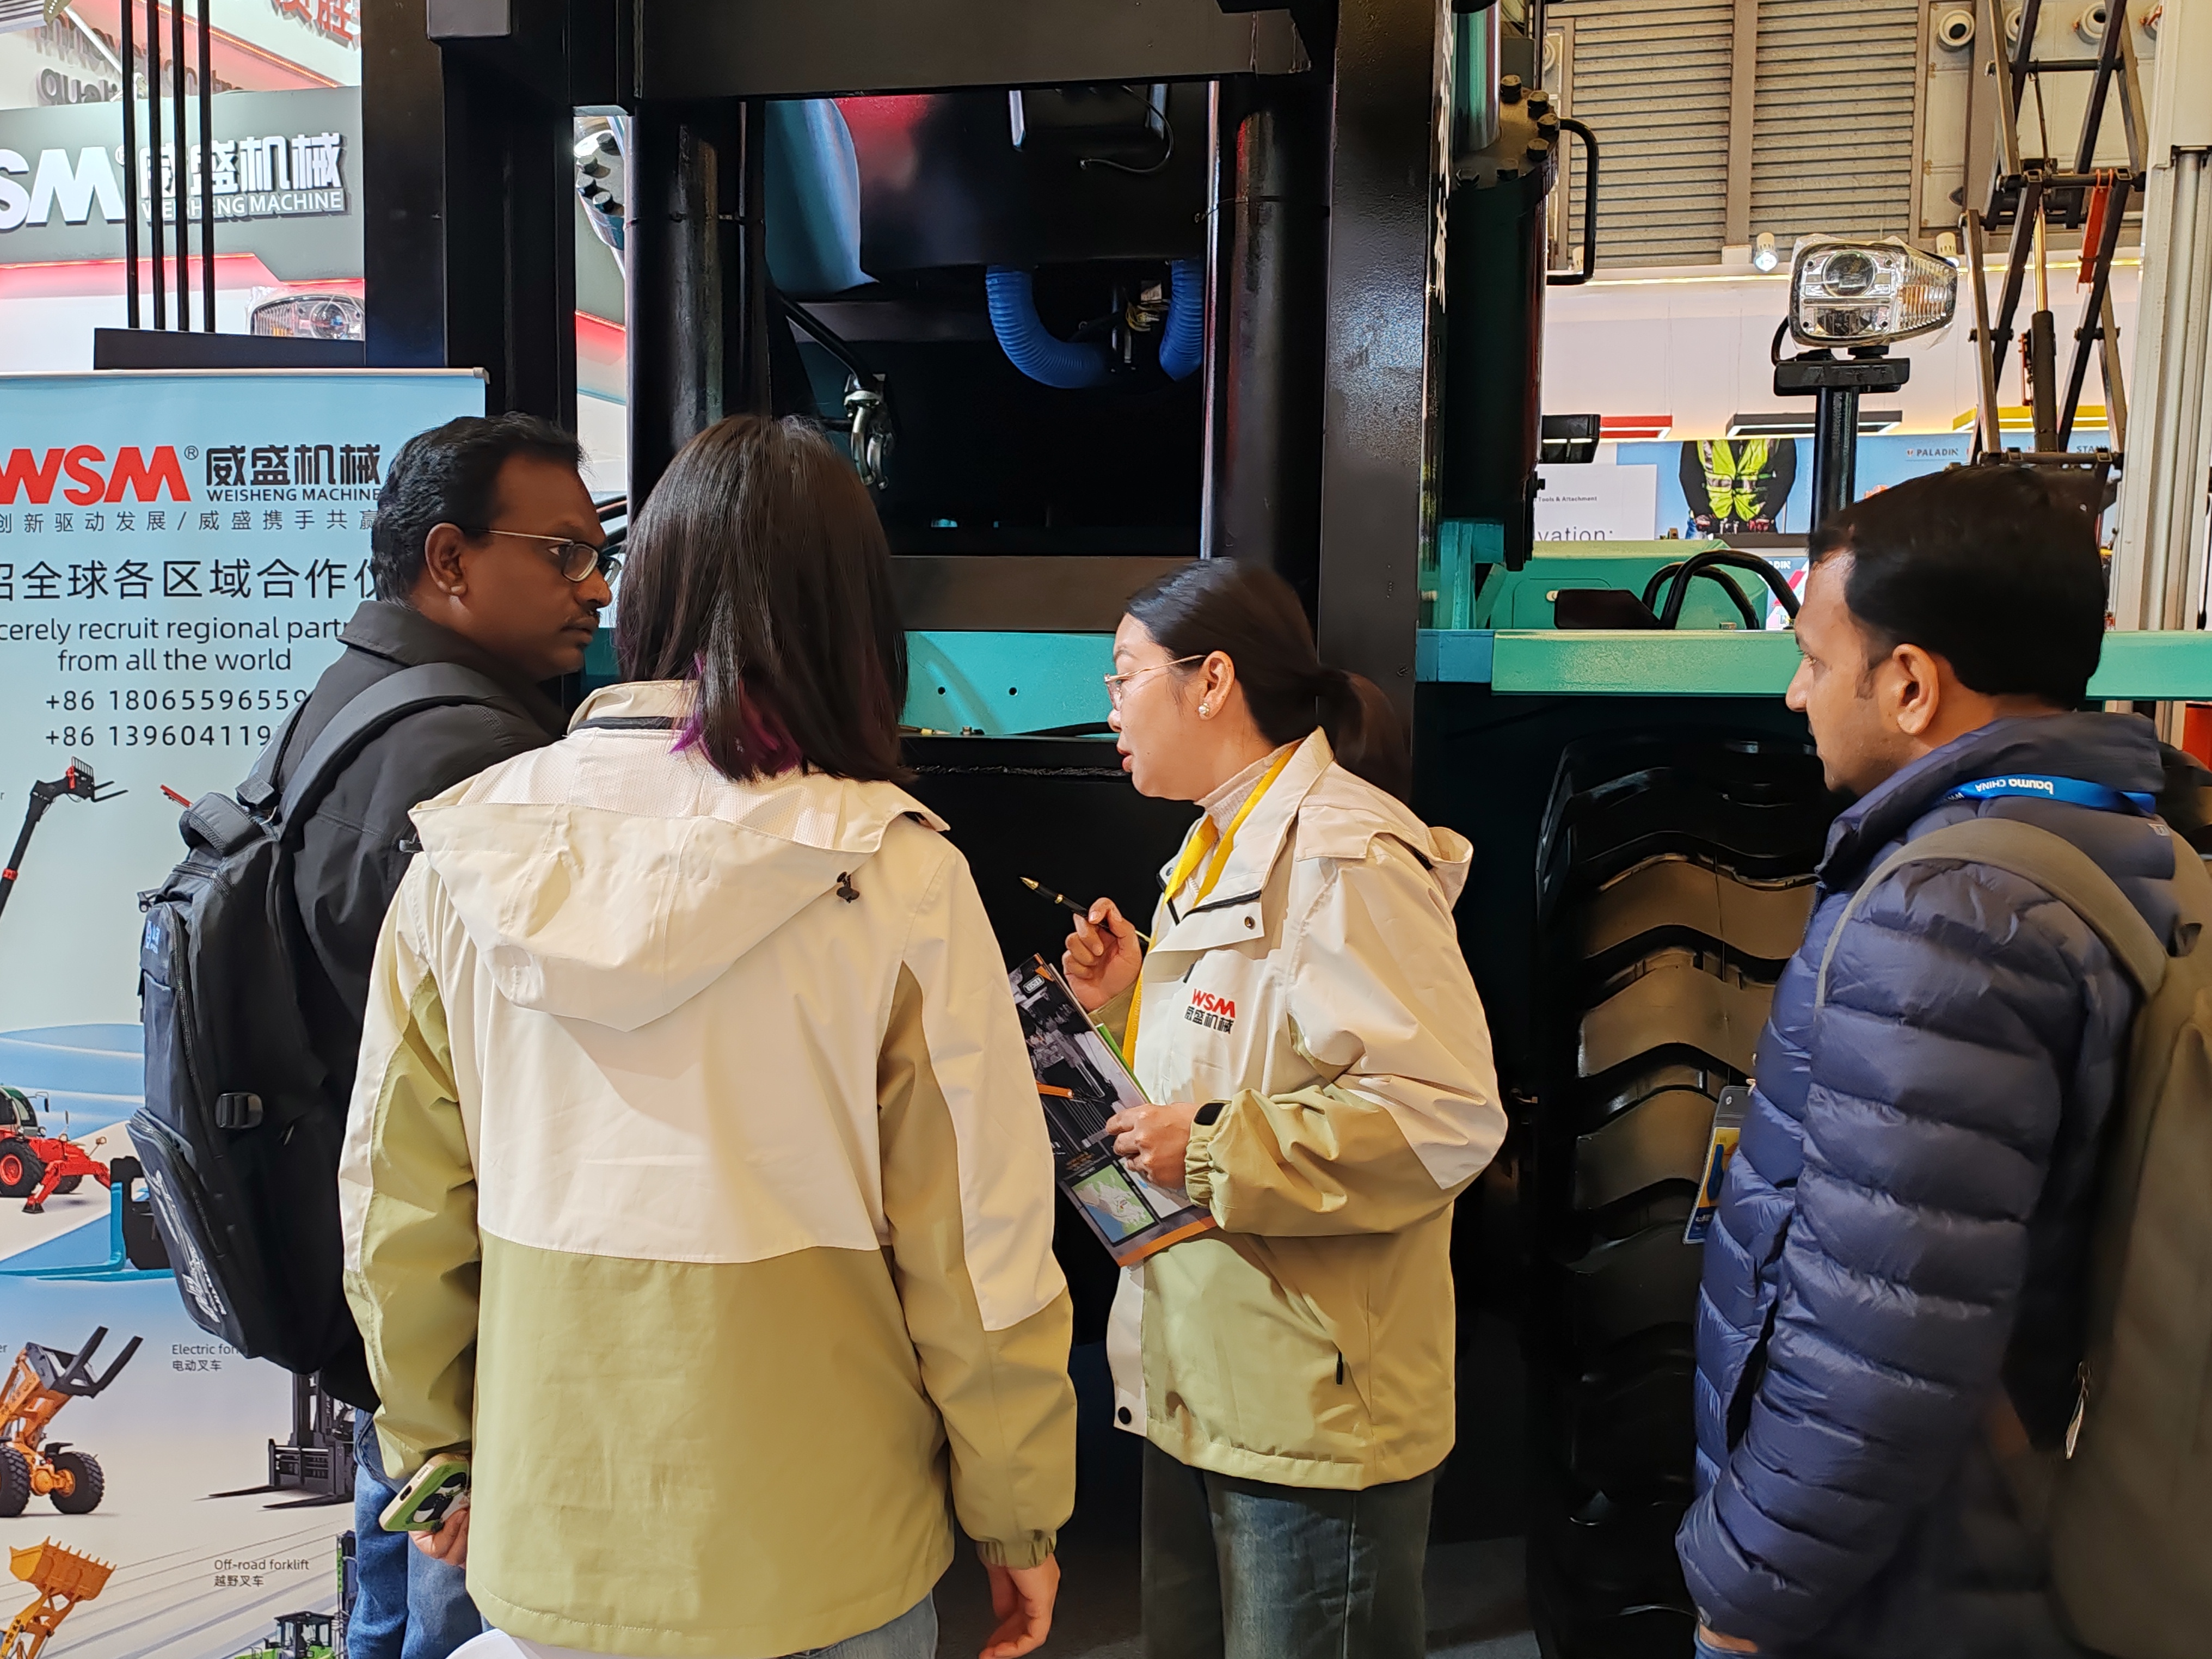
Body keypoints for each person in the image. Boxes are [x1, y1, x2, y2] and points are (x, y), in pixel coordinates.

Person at [339, 414, 1077, 1659]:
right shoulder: (894, 873)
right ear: (853, 616)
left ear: (649, 591)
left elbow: (396, 1209)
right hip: (830, 1550)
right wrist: (1017, 1515)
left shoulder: (467, 855)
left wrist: (436, 1455)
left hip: (557, 1533)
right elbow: (979, 1241)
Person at [1676, 465, 2184, 1658]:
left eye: (1813, 659)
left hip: (1910, 1587)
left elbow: (1881, 1344)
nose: (1797, 694)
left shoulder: (1948, 915)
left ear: (1909, 684)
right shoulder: (2119, 837)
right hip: (2030, 1537)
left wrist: (1746, 1594)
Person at [1059, 558, 1506, 1659]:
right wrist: (1126, 1011)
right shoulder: (1216, 847)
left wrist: (1212, 1149)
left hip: (1312, 1420)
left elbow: (1443, 1117)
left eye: (1124, 677)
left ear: (1211, 682)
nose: (1109, 708)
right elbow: (1248, 1067)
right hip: (1204, 1391)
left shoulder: (1345, 857)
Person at [284, 412, 612, 1659]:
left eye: (599, 557)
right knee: (453, 1611)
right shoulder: (473, 757)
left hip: (388, 1286)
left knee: (392, 1588)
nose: (594, 590)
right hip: (460, 1302)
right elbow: (499, 1074)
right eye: (564, 554)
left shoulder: (357, 697)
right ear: (450, 559)